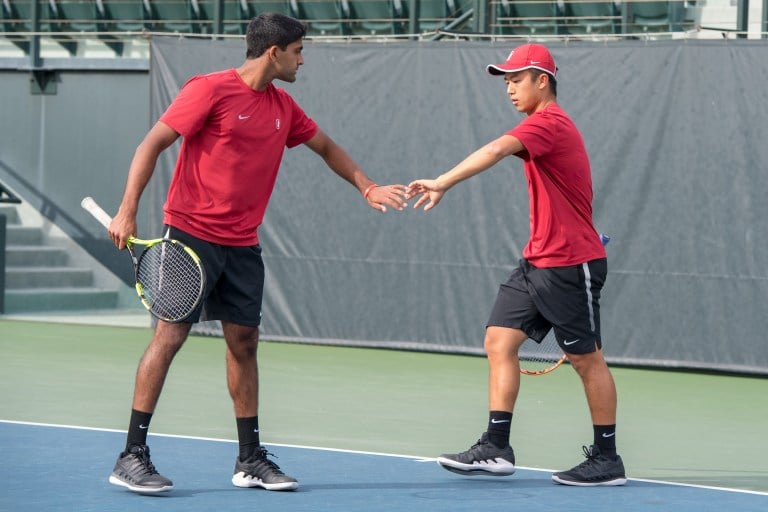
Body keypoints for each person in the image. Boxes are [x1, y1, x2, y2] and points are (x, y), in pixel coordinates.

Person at [106, 13, 408, 494]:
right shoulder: (209, 90)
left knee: (244, 341)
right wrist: (127, 211)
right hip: (189, 236)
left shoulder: (283, 107)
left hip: (242, 242)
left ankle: (249, 459)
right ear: (274, 52)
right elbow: (152, 144)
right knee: (170, 337)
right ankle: (131, 454)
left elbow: (326, 147)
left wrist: (367, 187)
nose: (302, 59)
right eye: (298, 51)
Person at [406, 43, 626, 486]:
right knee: (499, 341)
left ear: (541, 81)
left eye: (516, 79)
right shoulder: (540, 124)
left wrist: (442, 181)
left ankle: (607, 458)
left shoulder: (549, 123)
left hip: (569, 263)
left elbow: (494, 149)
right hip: (536, 261)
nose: (508, 87)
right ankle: (496, 446)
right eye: (505, 80)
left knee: (586, 360)